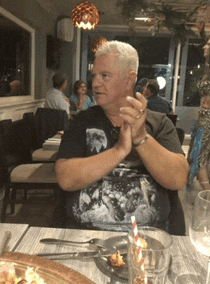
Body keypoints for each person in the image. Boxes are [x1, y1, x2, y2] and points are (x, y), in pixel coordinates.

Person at [55, 41, 189, 235]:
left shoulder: (159, 123)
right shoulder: (81, 122)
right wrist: (119, 150)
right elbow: (65, 178)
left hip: (149, 239)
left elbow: (178, 179)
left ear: (129, 80)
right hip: (84, 235)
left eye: (105, 75)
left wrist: (141, 138)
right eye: (95, 75)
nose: (95, 83)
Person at [187, 35, 210, 195]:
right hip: (206, 116)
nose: (204, 47)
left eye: (208, 44)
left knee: (200, 157)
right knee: (199, 155)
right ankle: (207, 195)